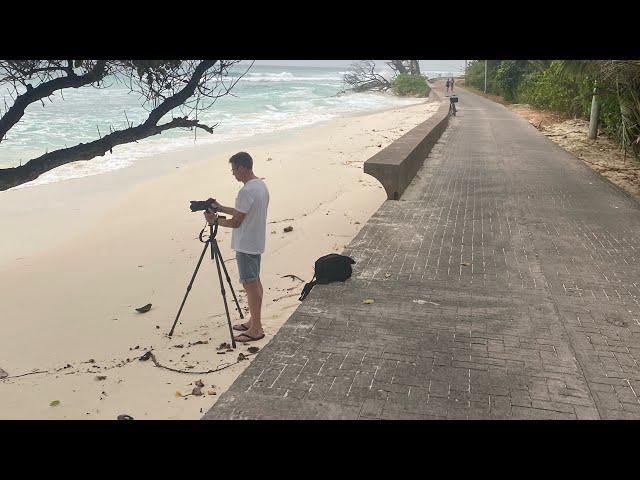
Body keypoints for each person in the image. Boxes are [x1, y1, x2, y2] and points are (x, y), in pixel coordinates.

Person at [204, 152, 270, 343]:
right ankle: (253, 321)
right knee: (255, 283)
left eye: (233, 169)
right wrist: (221, 208)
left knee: (250, 286)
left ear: (242, 167)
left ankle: (256, 329)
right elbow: (243, 212)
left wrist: (215, 220)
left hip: (246, 244)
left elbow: (236, 223)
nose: (233, 174)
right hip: (256, 241)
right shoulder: (260, 186)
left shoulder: (246, 191)